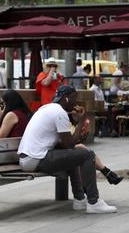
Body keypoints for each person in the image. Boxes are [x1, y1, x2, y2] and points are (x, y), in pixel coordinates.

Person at [18, 85, 120, 214]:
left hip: (29, 158)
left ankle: (80, 200)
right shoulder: (59, 113)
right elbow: (69, 144)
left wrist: (77, 127)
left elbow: (65, 144)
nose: (75, 103)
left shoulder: (46, 108)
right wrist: (82, 120)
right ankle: (94, 202)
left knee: (74, 156)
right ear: (66, 99)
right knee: (87, 155)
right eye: (74, 99)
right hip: (36, 158)